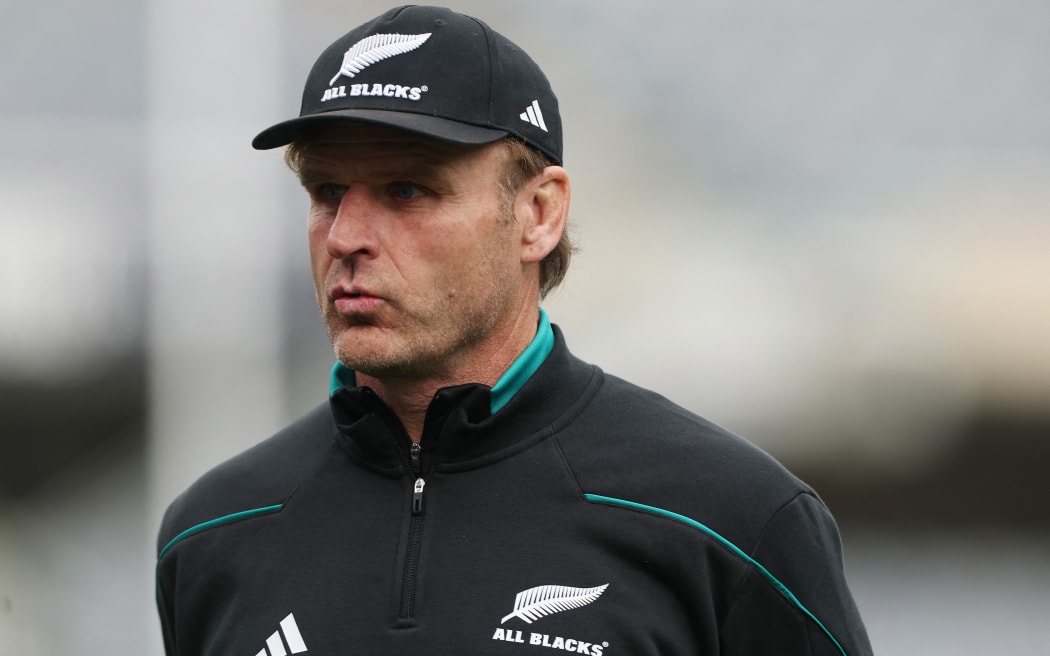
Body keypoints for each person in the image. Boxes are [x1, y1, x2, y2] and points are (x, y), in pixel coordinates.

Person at [155, 6, 872, 655]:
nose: (346, 237)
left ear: (538, 215)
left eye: (408, 190)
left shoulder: (731, 519)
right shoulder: (213, 531)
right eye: (327, 192)